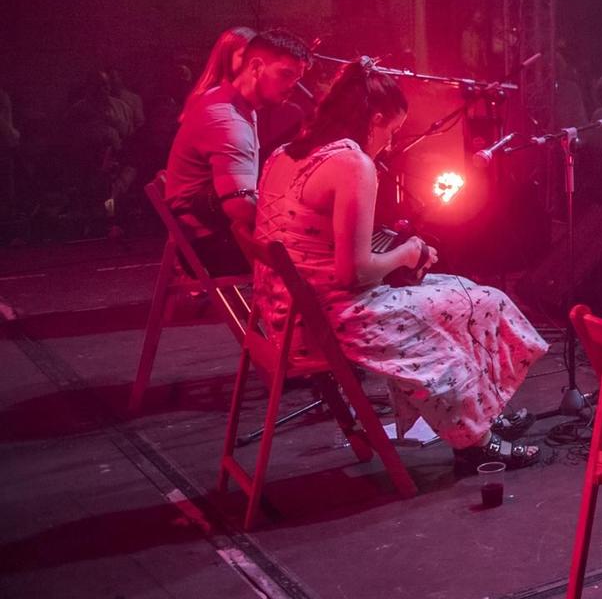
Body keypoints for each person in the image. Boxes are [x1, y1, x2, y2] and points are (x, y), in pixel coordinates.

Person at [252, 62, 548, 469]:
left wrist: (392, 254)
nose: (389, 144)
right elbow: (352, 273)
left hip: (281, 311)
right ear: (374, 120)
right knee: (479, 300)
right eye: (390, 132)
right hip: (327, 320)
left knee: (462, 291)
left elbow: (313, 241)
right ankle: (475, 442)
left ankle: (483, 414)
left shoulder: (284, 154)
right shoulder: (352, 164)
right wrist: (407, 254)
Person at [163, 30, 312, 274]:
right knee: (322, 255)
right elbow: (240, 208)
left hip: (210, 237)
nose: (291, 87)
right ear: (255, 67)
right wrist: (303, 222)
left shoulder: (233, 103)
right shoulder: (228, 120)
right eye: (285, 74)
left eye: (296, 78)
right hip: (209, 248)